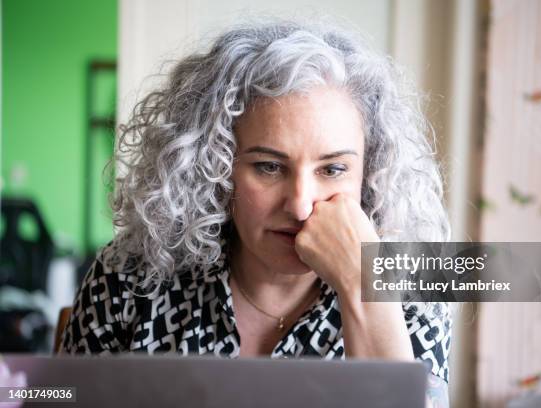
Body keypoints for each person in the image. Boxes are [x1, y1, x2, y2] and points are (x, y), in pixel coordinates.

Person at [61, 19, 452, 406]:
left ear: (369, 173)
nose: (300, 205)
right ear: (216, 165)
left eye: (332, 170)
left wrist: (360, 280)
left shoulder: (417, 290)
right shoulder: (128, 275)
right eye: (268, 166)